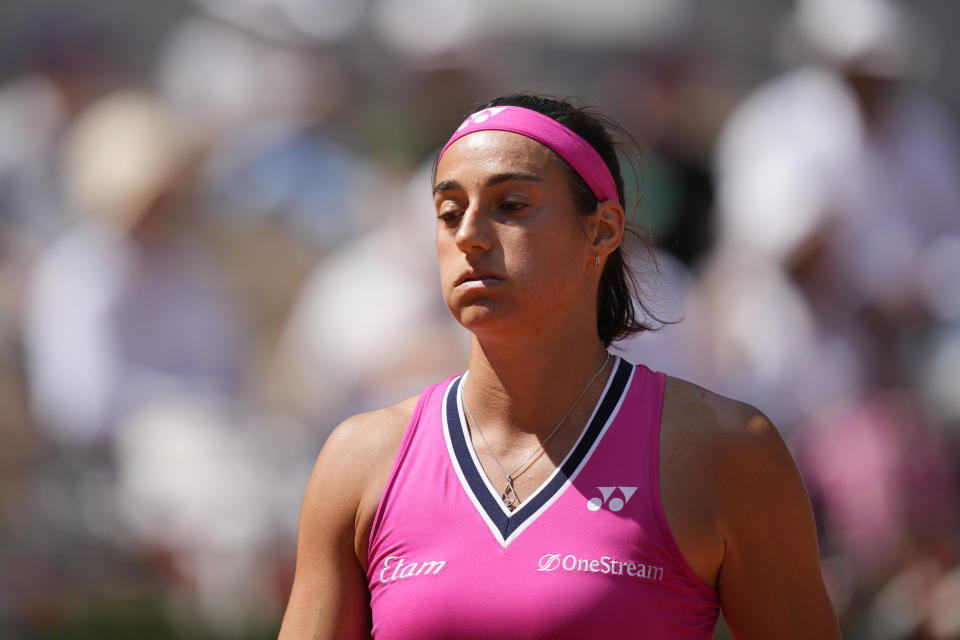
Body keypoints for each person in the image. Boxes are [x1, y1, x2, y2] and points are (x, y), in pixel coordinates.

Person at [278, 94, 842, 639]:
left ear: (602, 229)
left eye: (512, 206)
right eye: (450, 213)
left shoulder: (724, 452)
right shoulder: (360, 462)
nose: (469, 236)